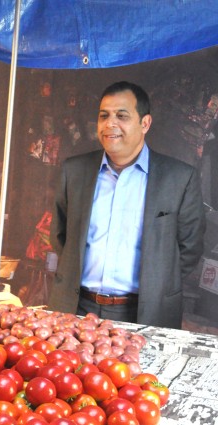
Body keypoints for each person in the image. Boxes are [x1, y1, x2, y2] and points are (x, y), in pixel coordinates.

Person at [49, 81, 205, 329]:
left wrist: (156, 282)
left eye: (121, 116)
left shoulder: (178, 178)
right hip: (76, 309)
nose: (110, 124)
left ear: (145, 123)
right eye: (104, 116)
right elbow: (60, 235)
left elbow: (189, 249)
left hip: (145, 314)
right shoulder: (75, 171)